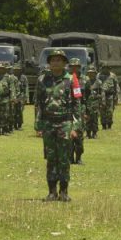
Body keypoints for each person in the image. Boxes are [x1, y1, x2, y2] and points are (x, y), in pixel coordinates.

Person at [35, 49, 80, 201]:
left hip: (65, 123)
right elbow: (38, 104)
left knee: (64, 158)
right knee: (51, 158)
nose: (55, 63)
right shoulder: (42, 80)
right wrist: (38, 125)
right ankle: (52, 191)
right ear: (49, 63)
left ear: (64, 63)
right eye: (53, 60)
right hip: (48, 123)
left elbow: (77, 105)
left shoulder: (72, 80)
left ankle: (64, 191)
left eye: (59, 60)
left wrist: (75, 127)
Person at [68, 59, 86, 162]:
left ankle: (79, 157)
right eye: (72, 66)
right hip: (68, 111)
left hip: (80, 111)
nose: (74, 68)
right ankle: (70, 157)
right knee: (69, 136)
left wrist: (86, 112)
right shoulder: (66, 79)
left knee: (79, 136)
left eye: (76, 66)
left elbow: (87, 96)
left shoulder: (85, 80)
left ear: (79, 67)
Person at [99, 63, 120, 130]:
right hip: (101, 95)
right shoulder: (99, 75)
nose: (106, 69)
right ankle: (103, 125)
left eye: (107, 68)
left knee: (110, 111)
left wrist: (117, 95)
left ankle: (109, 124)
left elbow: (116, 85)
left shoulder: (113, 75)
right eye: (104, 68)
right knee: (102, 110)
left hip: (110, 95)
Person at [84, 66, 102, 139]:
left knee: (95, 119)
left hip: (95, 102)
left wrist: (102, 102)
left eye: (92, 73)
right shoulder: (86, 82)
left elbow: (102, 93)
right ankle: (88, 133)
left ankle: (94, 133)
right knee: (87, 118)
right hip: (87, 102)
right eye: (89, 73)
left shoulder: (99, 82)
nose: (91, 74)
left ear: (95, 74)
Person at [13, 63, 29, 130]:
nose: (17, 71)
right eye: (15, 70)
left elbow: (26, 88)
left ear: (20, 70)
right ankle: (14, 125)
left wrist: (26, 98)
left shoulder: (24, 77)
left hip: (21, 97)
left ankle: (19, 125)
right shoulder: (12, 77)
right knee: (13, 111)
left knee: (20, 111)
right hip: (14, 96)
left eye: (18, 70)